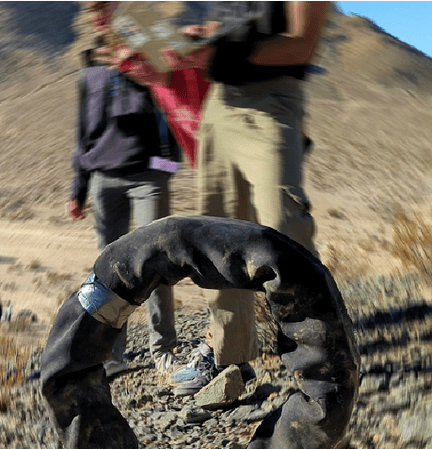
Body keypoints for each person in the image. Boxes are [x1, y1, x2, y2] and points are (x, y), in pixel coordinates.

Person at [108, 2, 329, 394]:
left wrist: (218, 51)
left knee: (285, 224)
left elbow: (300, 45)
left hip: (272, 101)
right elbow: (223, 31)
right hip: (219, 105)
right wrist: (189, 46)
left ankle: (319, 354)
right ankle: (230, 357)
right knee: (218, 240)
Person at [67, 1, 181, 377]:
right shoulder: (91, 69)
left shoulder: (151, 48)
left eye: (103, 4)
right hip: (104, 179)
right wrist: (78, 188)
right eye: (91, 8)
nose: (96, 12)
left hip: (148, 174)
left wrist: (166, 166)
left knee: (156, 262)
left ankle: (164, 350)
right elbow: (84, 132)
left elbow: (172, 95)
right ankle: (114, 355)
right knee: (109, 272)